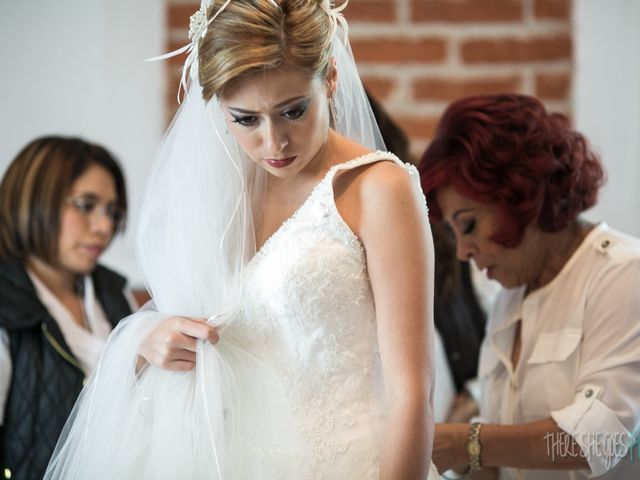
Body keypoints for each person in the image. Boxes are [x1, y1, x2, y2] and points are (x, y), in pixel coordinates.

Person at [45, 1, 440, 479]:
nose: (274, 142)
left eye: (293, 111)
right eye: (246, 118)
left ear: (331, 78)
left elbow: (411, 392)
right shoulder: (218, 191)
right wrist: (153, 341)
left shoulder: (379, 188)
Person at [419, 93, 640, 479]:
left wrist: (466, 442)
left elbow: (603, 440)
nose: (464, 252)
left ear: (521, 193)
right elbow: (501, 456)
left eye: (468, 224)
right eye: (454, 234)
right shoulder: (511, 297)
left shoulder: (623, 274)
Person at [0, 136, 135, 480]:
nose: (104, 227)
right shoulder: (6, 307)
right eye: (85, 205)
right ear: (33, 200)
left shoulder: (114, 292)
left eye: (112, 212)